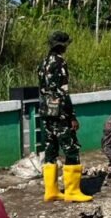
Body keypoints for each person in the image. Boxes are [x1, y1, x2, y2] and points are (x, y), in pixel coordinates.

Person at [37, 31, 91, 202]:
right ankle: (72, 191)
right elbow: (63, 93)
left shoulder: (43, 63)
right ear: (62, 45)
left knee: (50, 149)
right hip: (60, 113)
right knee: (71, 149)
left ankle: (51, 191)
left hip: (45, 111)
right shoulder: (60, 63)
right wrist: (72, 117)